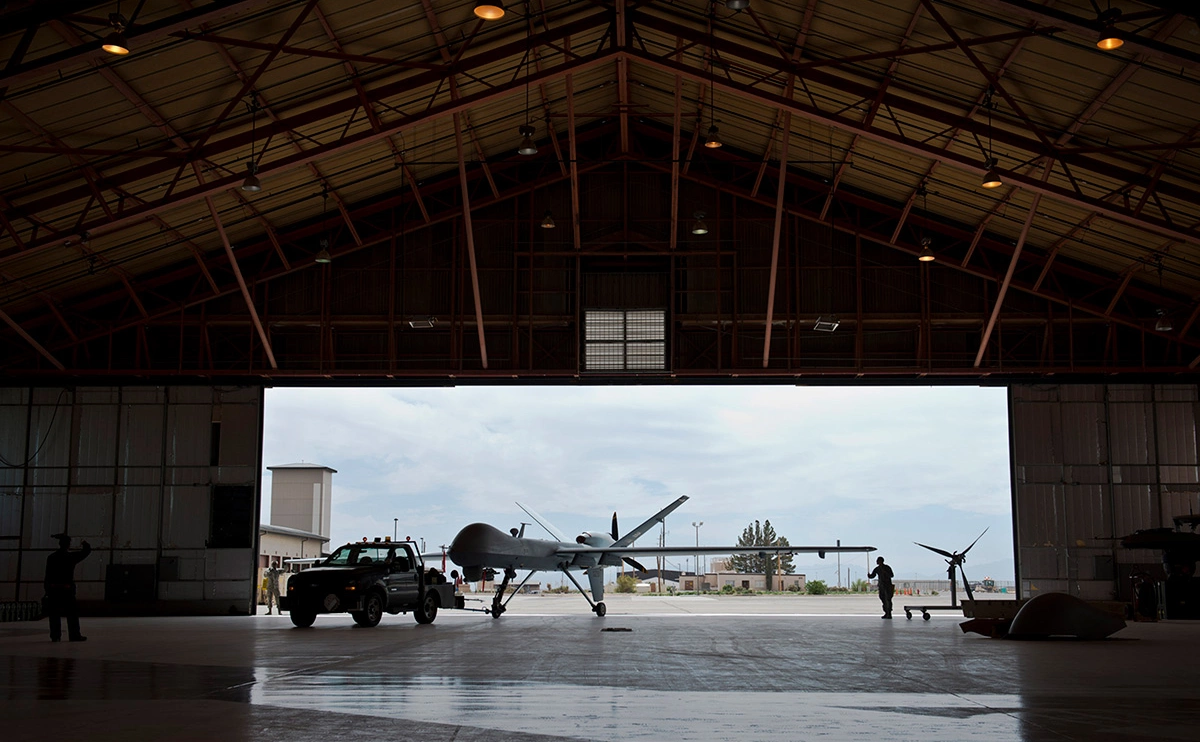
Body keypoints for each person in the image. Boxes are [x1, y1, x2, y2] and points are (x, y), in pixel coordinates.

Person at [44, 533, 91, 642]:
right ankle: (74, 635)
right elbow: (85, 552)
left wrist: (47, 590)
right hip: (67, 590)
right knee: (72, 614)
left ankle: (55, 635)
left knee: (54, 614)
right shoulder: (70, 557)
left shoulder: (51, 557)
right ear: (68, 545)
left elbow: (48, 575)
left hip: (54, 590)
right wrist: (85, 544)